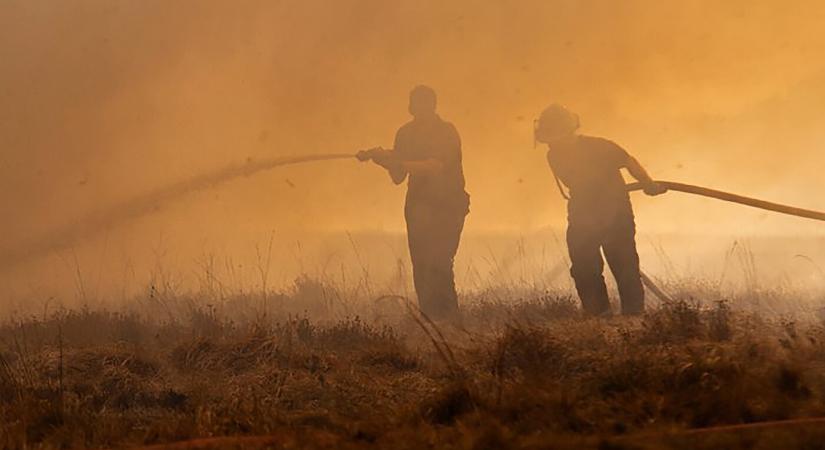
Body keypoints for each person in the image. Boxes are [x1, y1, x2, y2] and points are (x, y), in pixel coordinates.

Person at [534, 104, 666, 316]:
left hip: (615, 213)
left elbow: (629, 162)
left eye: (553, 135)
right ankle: (599, 315)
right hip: (582, 215)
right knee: (584, 267)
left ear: (566, 131)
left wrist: (648, 183)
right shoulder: (554, 155)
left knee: (624, 266)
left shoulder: (601, 147)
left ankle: (633, 316)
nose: (551, 142)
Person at [358, 86, 470, 320]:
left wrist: (394, 160)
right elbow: (398, 177)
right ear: (411, 107)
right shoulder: (405, 134)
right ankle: (431, 321)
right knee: (421, 266)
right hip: (419, 208)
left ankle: (450, 320)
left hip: (448, 206)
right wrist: (382, 160)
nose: (420, 108)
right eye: (417, 104)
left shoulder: (446, 132)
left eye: (424, 103)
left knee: (440, 262)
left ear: (433, 105)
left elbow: (434, 166)